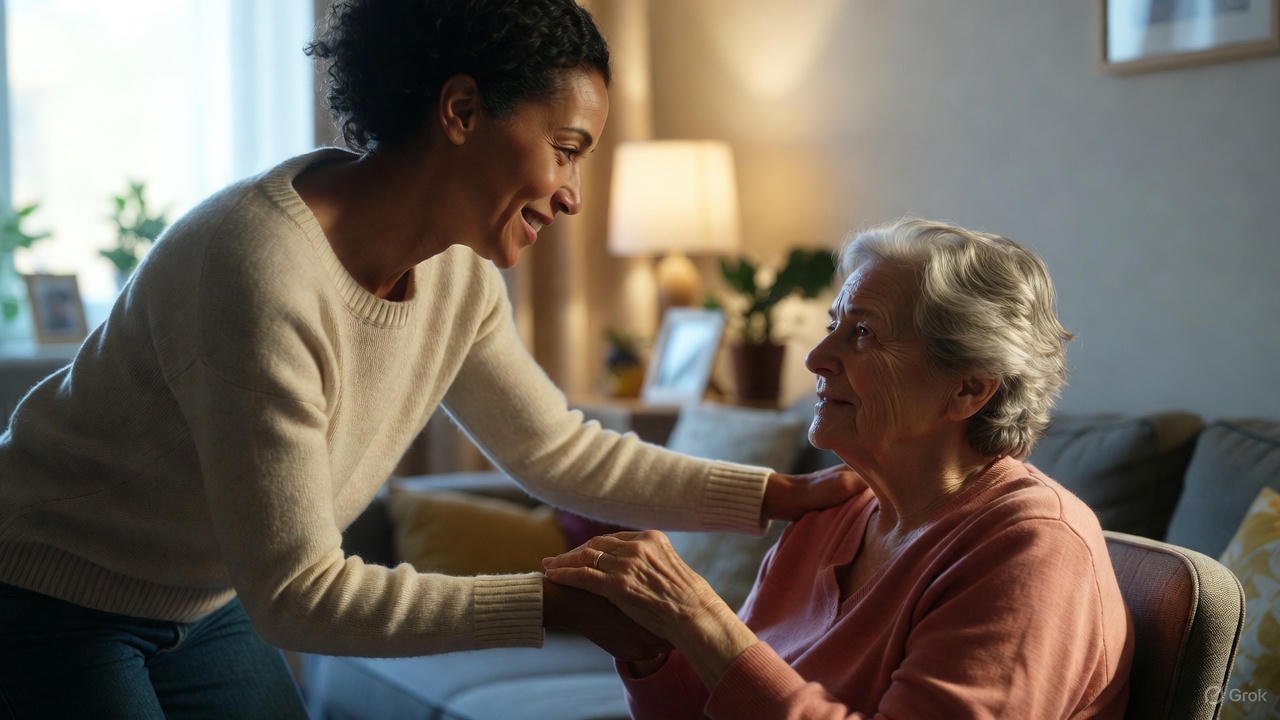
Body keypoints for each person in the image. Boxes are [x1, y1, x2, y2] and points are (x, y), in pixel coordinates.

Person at [0, 2, 856, 717]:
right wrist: (554, 604)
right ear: (460, 111)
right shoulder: (258, 269)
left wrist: (784, 496)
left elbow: (557, 451)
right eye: (565, 147)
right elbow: (301, 594)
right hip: (52, 590)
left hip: (203, 600)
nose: (572, 194)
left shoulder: (457, 273)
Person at [545, 218, 1135, 718]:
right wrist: (651, 648)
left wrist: (702, 618)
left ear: (969, 389)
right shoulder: (835, 516)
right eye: (834, 325)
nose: (816, 358)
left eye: (862, 334)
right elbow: (716, 703)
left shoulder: (1032, 548)